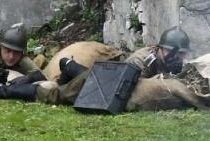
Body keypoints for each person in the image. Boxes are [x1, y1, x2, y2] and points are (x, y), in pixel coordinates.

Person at [43, 27, 192, 107]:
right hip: (112, 82)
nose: (176, 57)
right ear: (158, 48)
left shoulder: (176, 62)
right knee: (87, 83)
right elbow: (136, 88)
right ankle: (68, 65)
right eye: (172, 52)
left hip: (109, 79)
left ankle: (70, 66)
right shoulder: (142, 60)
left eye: (181, 54)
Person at [0, 25, 47, 100]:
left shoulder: (22, 60)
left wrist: (28, 78)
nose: (11, 56)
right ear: (0, 47)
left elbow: (42, 76)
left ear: (22, 53)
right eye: (8, 51)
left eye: (16, 52)